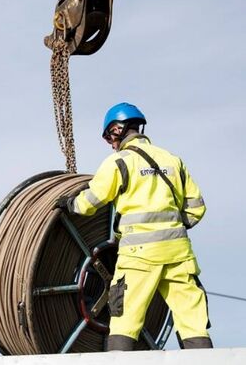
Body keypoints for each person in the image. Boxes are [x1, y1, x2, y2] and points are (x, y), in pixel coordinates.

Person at [56, 102, 213, 351]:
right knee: (193, 321)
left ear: (117, 129)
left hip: (138, 256)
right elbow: (196, 209)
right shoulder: (173, 161)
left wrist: (70, 204)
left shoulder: (119, 162)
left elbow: (92, 200)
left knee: (125, 318)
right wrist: (171, 228)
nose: (110, 143)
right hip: (179, 254)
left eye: (109, 137)